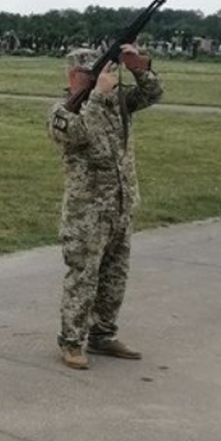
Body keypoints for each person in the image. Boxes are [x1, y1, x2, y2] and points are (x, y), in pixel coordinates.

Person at [47, 45, 162, 370]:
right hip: (87, 215)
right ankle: (72, 342)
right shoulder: (63, 112)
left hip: (120, 206)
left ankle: (103, 335)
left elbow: (153, 93)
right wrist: (97, 96)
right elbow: (81, 133)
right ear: (74, 75)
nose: (102, 77)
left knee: (115, 278)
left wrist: (138, 66)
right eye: (92, 73)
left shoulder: (117, 104)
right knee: (83, 279)